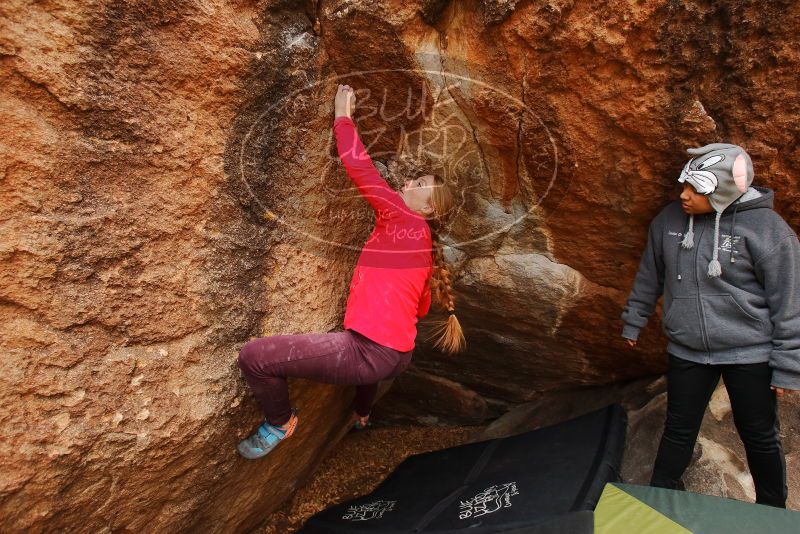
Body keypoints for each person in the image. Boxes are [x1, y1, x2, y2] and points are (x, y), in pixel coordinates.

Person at [236, 84, 466, 459]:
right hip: (399, 356)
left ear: (429, 210)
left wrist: (342, 115)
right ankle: (362, 413)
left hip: (370, 353)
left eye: (420, 185)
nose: (408, 183)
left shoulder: (400, 214)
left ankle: (279, 422)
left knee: (255, 357)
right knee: (371, 371)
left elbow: (360, 168)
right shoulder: (425, 247)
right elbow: (422, 309)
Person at [621, 143, 799, 508]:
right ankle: (659, 499)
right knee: (678, 429)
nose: (683, 195)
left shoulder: (768, 230)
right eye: (684, 185)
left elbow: (788, 301)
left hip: (750, 351)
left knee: (760, 435)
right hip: (688, 349)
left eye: (695, 189)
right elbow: (649, 274)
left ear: (724, 190)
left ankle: (773, 511)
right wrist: (634, 320)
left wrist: (787, 366)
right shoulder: (669, 221)